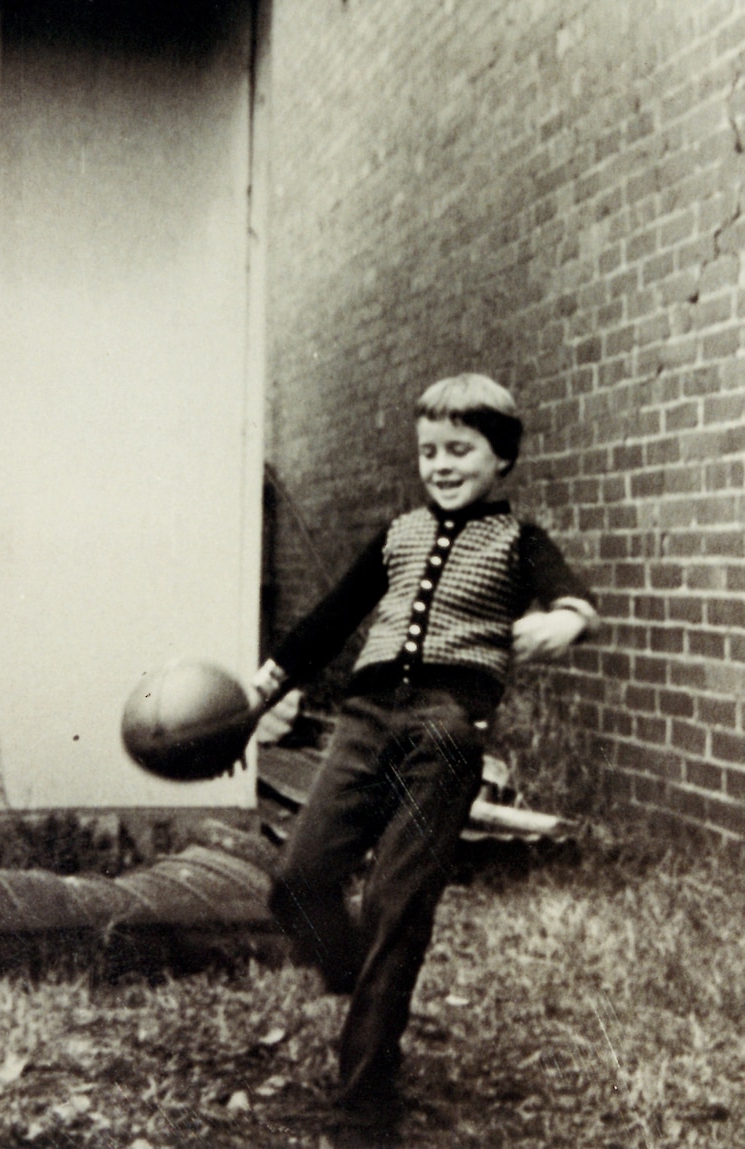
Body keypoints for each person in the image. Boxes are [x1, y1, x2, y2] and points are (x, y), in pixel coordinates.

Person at [248, 373, 598, 1124]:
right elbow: (333, 616)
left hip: (447, 728)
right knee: (297, 879)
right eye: (428, 450)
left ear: (501, 457)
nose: (440, 464)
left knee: (394, 904)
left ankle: (365, 1099)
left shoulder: (518, 539)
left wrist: (566, 618)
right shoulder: (398, 533)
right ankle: (354, 973)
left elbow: (571, 595)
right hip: (364, 718)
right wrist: (264, 687)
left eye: (460, 449)